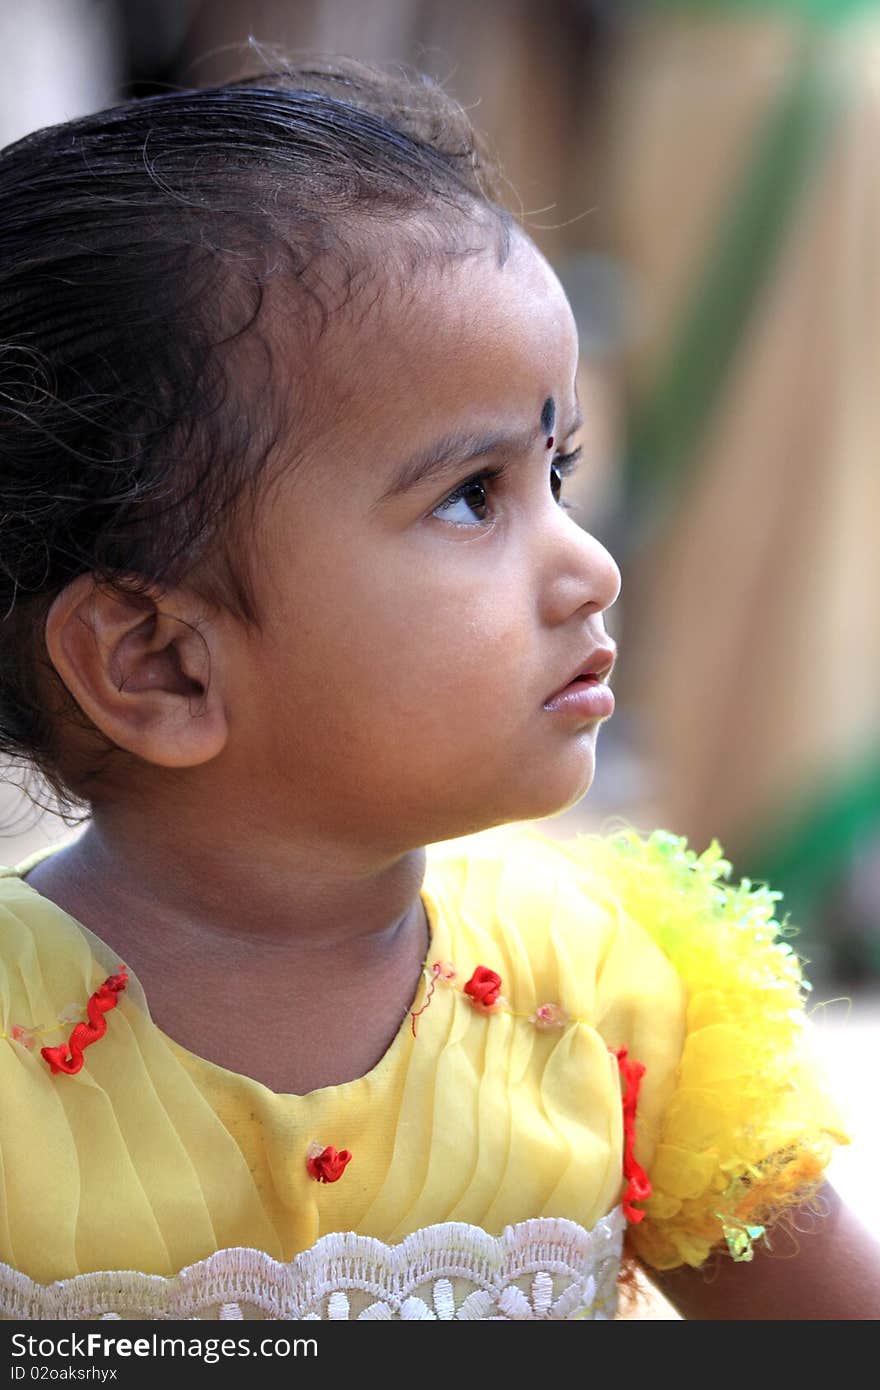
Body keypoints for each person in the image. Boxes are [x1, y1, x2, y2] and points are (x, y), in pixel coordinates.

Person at [0, 56, 876, 1322]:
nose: (589, 567)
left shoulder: (615, 1006)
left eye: (557, 473)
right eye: (472, 496)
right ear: (162, 662)